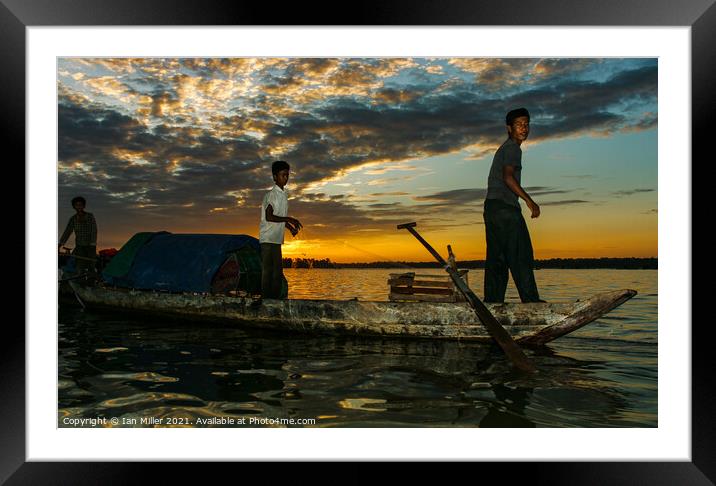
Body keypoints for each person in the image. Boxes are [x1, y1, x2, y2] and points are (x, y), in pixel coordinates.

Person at [483, 108, 544, 303]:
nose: (524, 128)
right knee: (521, 256)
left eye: (526, 124)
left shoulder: (505, 148)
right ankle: (531, 303)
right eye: (519, 124)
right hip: (505, 209)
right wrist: (529, 201)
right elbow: (508, 177)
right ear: (509, 128)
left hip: (491, 209)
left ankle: (492, 304)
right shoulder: (512, 148)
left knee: (497, 260)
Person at [259, 160, 302, 298]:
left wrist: (290, 228)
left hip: (277, 239)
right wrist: (289, 219)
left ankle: (275, 300)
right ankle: (266, 299)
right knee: (268, 271)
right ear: (275, 177)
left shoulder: (284, 195)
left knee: (277, 271)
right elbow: (269, 216)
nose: (286, 178)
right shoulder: (272, 195)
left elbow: (280, 217)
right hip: (267, 238)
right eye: (283, 175)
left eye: (287, 175)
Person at [58, 196, 98, 275]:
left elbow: (94, 230)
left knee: (91, 265)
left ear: (84, 206)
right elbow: (67, 231)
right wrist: (60, 244)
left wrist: (92, 243)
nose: (79, 206)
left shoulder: (90, 216)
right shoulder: (73, 219)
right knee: (80, 265)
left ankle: (91, 282)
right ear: (74, 207)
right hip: (79, 245)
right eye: (77, 205)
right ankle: (81, 282)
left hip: (90, 245)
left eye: (81, 205)